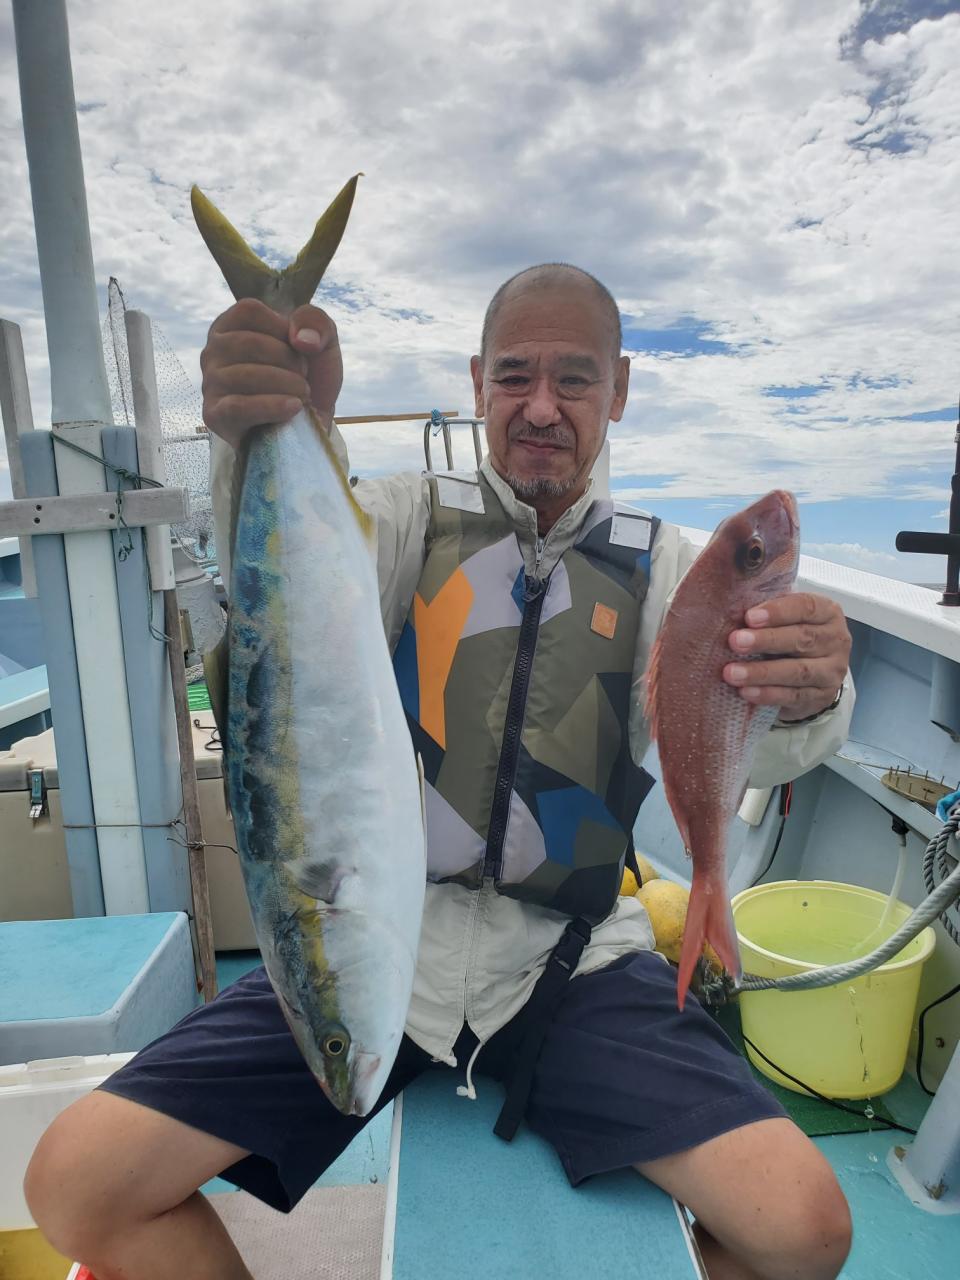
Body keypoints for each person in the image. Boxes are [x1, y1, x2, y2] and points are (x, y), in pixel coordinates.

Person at [25, 264, 854, 1280]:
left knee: (806, 1232)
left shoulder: (675, 572)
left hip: (573, 963)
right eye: (513, 376)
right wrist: (271, 431)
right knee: (75, 1186)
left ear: (620, 391)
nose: (540, 406)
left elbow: (756, 742)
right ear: (475, 382)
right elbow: (296, 593)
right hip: (373, 949)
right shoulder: (401, 518)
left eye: (574, 379)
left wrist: (812, 691)